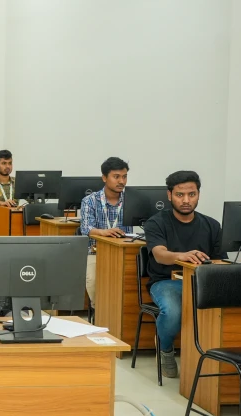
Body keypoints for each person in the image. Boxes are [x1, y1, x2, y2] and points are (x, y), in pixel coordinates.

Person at [144, 170, 224, 379]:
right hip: (165, 282)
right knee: (172, 311)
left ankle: (215, 354)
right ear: (169, 195)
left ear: (198, 195)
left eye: (192, 194)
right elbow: (159, 255)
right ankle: (165, 349)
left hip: (203, 282)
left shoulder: (212, 225)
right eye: (180, 195)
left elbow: (220, 260)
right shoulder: (156, 222)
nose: (186, 200)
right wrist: (182, 256)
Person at [79, 157, 133, 308]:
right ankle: (100, 311)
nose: (121, 181)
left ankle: (121, 313)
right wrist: (105, 232)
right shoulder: (90, 200)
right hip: (96, 252)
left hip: (125, 252)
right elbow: (86, 228)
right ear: (104, 178)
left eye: (124, 176)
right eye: (116, 177)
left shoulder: (132, 199)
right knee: (93, 279)